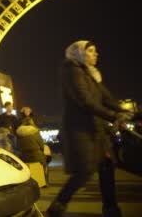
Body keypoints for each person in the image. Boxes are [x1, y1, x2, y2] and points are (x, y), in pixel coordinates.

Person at [47, 40, 133, 217]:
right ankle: (57, 207)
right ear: (79, 54)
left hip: (96, 129)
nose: (96, 54)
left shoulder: (90, 74)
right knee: (84, 171)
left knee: (106, 166)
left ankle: (111, 209)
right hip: (81, 130)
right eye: (91, 51)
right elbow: (85, 101)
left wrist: (125, 111)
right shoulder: (72, 71)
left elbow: (106, 98)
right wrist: (113, 116)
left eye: (95, 51)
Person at [15, 117, 47, 186]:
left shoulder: (19, 133)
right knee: (44, 162)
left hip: (24, 157)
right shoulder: (35, 132)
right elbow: (41, 145)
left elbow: (17, 147)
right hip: (36, 156)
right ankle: (44, 182)